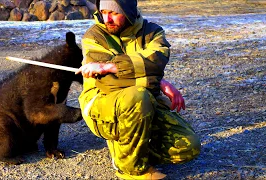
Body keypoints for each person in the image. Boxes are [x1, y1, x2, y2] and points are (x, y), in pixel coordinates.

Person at [76, 0, 201, 179]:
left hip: (143, 103)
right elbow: (109, 84)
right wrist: (157, 81)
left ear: (128, 12)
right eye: (103, 12)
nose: (107, 19)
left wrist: (110, 67)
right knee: (138, 95)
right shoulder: (94, 36)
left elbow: (157, 62)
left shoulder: (153, 33)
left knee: (190, 146)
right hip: (101, 107)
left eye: (114, 13)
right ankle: (130, 169)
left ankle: (126, 149)